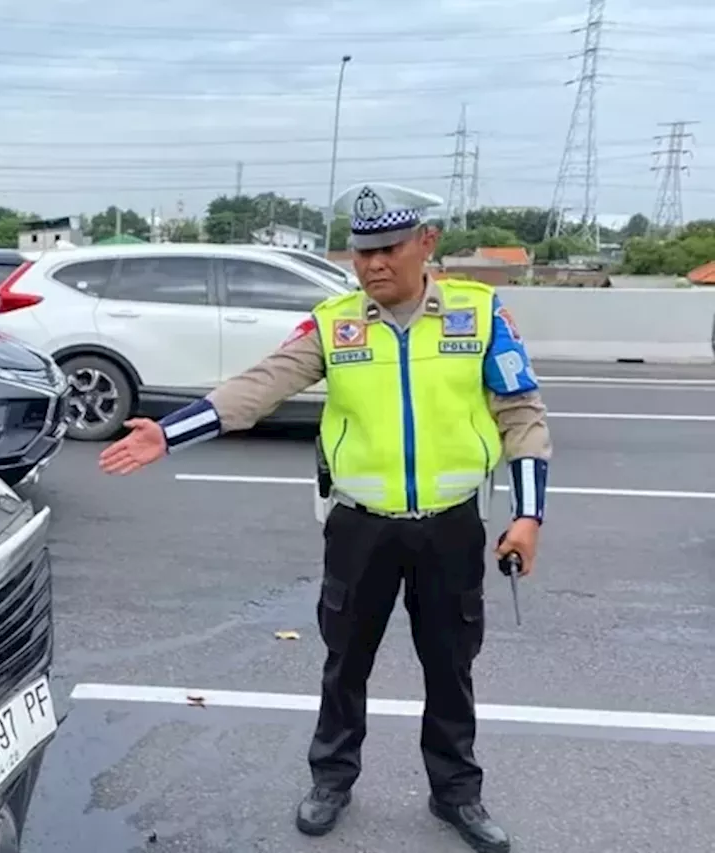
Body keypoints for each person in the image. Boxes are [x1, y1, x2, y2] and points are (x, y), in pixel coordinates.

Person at [98, 183, 551, 853]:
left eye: (388, 249)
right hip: (359, 527)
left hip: (451, 527)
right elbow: (260, 384)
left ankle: (456, 791)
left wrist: (529, 515)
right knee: (345, 662)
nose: (372, 265)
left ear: (426, 243)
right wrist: (170, 434)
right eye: (361, 252)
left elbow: (521, 415)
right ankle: (332, 778)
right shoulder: (335, 323)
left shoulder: (480, 315)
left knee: (450, 664)